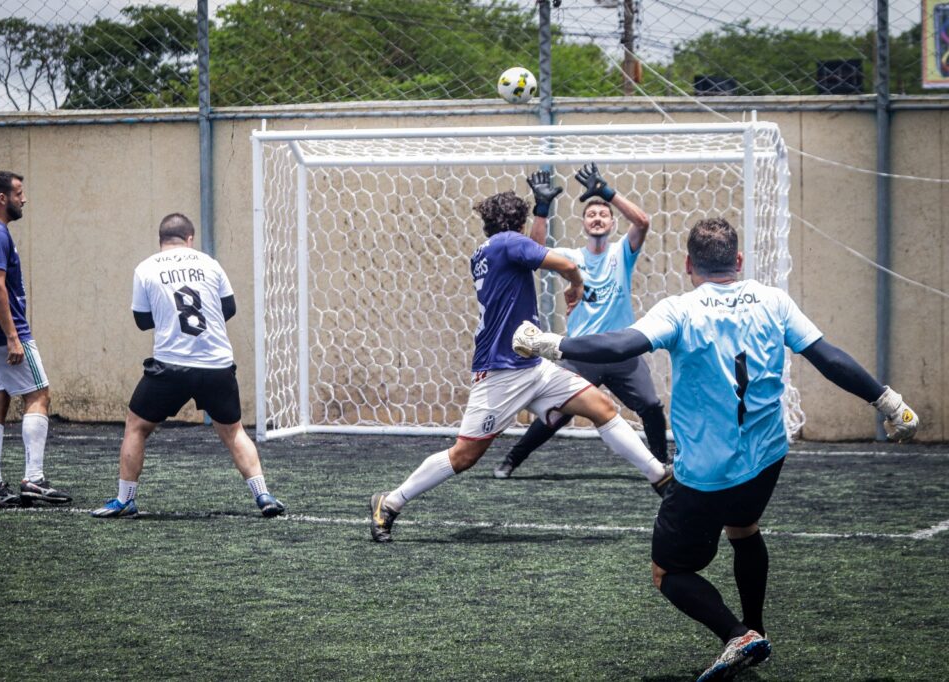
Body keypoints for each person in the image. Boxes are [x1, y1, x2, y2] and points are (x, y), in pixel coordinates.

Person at [512, 217, 918, 681]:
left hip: (706, 473)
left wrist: (553, 344)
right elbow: (827, 357)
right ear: (738, 261)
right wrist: (887, 401)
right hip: (767, 456)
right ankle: (757, 630)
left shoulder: (681, 309)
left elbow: (625, 343)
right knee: (744, 528)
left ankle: (737, 633)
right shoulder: (774, 300)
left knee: (668, 572)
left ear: (689, 265)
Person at [367, 181, 672, 543]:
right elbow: (564, 262)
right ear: (520, 225)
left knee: (601, 407)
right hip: (503, 371)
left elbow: (536, 254)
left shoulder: (487, 250)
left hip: (532, 365)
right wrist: (575, 282)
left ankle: (659, 476)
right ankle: (390, 502)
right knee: (464, 456)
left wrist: (542, 214)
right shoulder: (510, 243)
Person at [91, 214, 285, 519]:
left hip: (171, 366)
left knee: (136, 427)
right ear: (190, 238)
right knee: (233, 431)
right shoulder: (210, 264)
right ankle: (263, 494)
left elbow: (142, 321)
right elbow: (228, 308)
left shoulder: (146, 268)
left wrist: (169, 320)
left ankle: (125, 499)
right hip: (216, 364)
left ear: (161, 240)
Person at [493, 162, 669, 480]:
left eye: (603, 214)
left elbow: (643, 221)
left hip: (620, 352)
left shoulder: (621, 253)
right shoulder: (572, 258)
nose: (598, 217)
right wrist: (542, 209)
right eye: (591, 214)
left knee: (651, 405)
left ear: (613, 223)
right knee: (556, 414)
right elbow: (534, 250)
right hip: (581, 353)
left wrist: (607, 193)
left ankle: (661, 466)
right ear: (584, 223)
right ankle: (511, 460)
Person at [0, 171, 71, 508]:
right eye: (19, 193)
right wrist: (13, 337)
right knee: (38, 394)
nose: (23, 199)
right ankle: (34, 479)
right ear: (2, 198)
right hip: (1, 333)